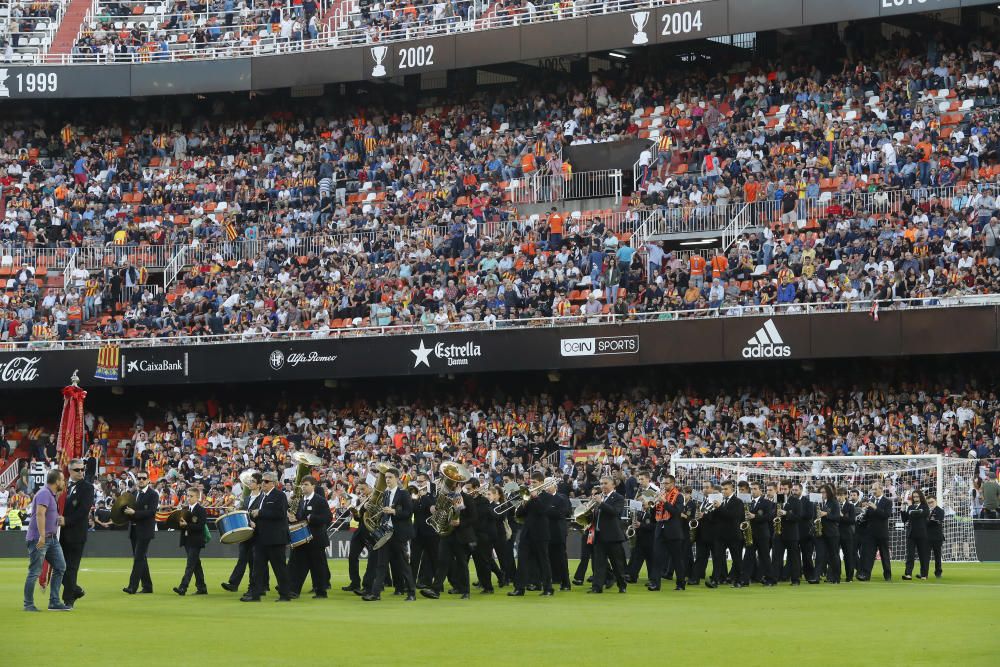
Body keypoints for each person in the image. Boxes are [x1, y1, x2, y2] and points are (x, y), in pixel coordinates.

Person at [365, 468, 416, 601]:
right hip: (386, 533)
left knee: (403, 565)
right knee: (381, 564)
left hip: (398, 535)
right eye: (386, 477)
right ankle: (375, 594)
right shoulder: (385, 494)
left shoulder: (404, 494)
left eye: (390, 477)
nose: (387, 479)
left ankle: (411, 593)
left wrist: (394, 512)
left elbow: (409, 513)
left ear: (397, 478)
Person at [421, 481, 477, 600]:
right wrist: (434, 509)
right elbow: (440, 511)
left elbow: (473, 517)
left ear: (458, 485)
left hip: (461, 536)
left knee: (462, 563)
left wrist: (460, 522)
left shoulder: (467, 498)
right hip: (446, 534)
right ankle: (435, 590)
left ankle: (465, 591)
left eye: (452, 483)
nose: (448, 485)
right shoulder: (445, 497)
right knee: (442, 562)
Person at [24, 470, 70, 612]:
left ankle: (54, 602)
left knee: (60, 567)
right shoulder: (45, 493)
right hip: (41, 539)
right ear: (56, 481)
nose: (63, 483)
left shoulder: (49, 494)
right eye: (62, 480)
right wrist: (42, 536)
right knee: (35, 571)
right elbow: (39, 514)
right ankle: (28, 604)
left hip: (51, 538)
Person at [242, 472, 292, 602]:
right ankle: (255, 594)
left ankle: (285, 594)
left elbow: (280, 514)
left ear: (274, 483)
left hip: (275, 539)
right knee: (257, 569)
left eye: (266, 481)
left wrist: (260, 512)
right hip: (261, 538)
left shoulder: (279, 495)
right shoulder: (262, 496)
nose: (263, 483)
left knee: (279, 568)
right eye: (263, 481)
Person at [223, 472, 268, 595]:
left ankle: (259, 586)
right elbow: (243, 511)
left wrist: (255, 524)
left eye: (252, 481)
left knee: (255, 561)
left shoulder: (263, 498)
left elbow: (264, 514)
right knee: (242, 558)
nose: (249, 483)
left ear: (259, 484)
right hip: (245, 532)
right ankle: (234, 584)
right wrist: (235, 510)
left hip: (257, 533)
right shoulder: (247, 498)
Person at [509, 472, 553, 596]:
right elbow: (520, 515)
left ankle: (548, 588)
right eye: (531, 482)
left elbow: (543, 511)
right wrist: (523, 503)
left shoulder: (547, 496)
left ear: (541, 483)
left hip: (541, 533)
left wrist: (535, 498)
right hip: (526, 533)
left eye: (534, 483)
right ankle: (519, 588)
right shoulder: (527, 496)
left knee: (543, 561)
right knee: (522, 561)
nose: (531, 485)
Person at [289, 477, 332, 598]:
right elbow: (300, 517)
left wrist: (312, 518)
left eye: (306, 484)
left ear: (313, 486)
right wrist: (293, 519)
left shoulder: (320, 500)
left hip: (316, 540)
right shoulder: (301, 500)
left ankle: (321, 592)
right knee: (299, 566)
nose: (303, 487)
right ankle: (294, 591)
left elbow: (328, 518)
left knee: (318, 567)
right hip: (302, 539)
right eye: (302, 485)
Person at [60, 459, 94, 608]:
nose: (81, 472)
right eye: (77, 470)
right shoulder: (63, 485)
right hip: (60, 533)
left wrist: (66, 520)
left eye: (82, 469)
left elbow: (83, 511)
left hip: (76, 534)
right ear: (70, 471)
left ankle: (68, 600)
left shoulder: (87, 488)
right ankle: (75, 589)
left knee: (71, 567)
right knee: (58, 567)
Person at [588, 476, 627, 594]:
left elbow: (615, 512)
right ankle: (597, 587)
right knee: (599, 564)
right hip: (599, 536)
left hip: (613, 537)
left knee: (617, 564)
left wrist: (600, 503)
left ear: (613, 485)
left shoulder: (618, 497)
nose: (602, 486)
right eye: (601, 483)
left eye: (605, 483)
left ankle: (622, 585)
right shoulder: (599, 498)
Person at [647, 475, 686, 591]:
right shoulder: (661, 495)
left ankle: (680, 583)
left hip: (673, 532)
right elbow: (655, 516)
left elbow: (677, 512)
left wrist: (664, 502)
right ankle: (655, 584)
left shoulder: (679, 496)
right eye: (663, 483)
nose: (664, 485)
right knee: (657, 558)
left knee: (677, 559)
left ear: (673, 484)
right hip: (660, 530)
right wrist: (651, 505)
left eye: (667, 483)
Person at [123, 470, 158, 594]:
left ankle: (132, 586)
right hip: (133, 530)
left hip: (145, 531)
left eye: (143, 478)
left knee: (138, 558)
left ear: (148, 480)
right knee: (141, 558)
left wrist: (134, 513)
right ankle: (147, 586)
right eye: (139, 478)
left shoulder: (153, 494)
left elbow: (152, 512)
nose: (141, 480)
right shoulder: (133, 493)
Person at [173, 487, 208, 595]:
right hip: (187, 540)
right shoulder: (185, 509)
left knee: (190, 564)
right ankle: (202, 587)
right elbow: (181, 525)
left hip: (196, 541)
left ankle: (183, 587)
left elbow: (200, 526)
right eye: (187, 496)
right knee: (196, 564)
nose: (188, 498)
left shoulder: (201, 510)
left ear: (197, 497)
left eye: (191, 496)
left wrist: (187, 525)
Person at [711, 480, 745, 588]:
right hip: (720, 535)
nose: (724, 491)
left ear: (732, 489)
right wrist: (713, 509)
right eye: (723, 489)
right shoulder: (720, 501)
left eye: (726, 489)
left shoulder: (738, 502)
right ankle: (715, 580)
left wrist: (719, 507)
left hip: (733, 535)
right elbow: (714, 518)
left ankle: (740, 580)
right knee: (718, 558)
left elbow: (733, 516)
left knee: (737, 559)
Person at [625, 470, 656, 585]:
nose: (640, 481)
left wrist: (641, 524)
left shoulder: (653, 491)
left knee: (650, 557)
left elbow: (654, 519)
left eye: (642, 479)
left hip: (649, 533)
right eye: (639, 479)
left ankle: (653, 579)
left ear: (648, 478)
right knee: (637, 555)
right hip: (640, 531)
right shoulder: (640, 491)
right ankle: (632, 576)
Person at [741, 482, 774, 586]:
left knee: (764, 557)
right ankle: (745, 580)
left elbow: (769, 517)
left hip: (762, 535)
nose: (753, 491)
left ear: (761, 490)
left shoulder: (766, 503)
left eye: (755, 489)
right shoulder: (747, 502)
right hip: (750, 534)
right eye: (752, 489)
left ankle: (770, 580)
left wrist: (754, 516)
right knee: (748, 557)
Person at [858, 483, 893, 582]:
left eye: (875, 489)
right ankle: (865, 575)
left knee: (884, 555)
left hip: (882, 533)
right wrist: (864, 512)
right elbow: (868, 517)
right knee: (868, 555)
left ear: (881, 489)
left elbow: (886, 515)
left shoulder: (887, 502)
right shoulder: (871, 501)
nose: (873, 491)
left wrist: (875, 508)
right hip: (870, 533)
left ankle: (887, 575)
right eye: (872, 489)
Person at [468, 479, 497, 595]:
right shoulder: (469, 500)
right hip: (471, 535)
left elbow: (477, 517)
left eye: (469, 488)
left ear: (476, 488)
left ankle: (488, 587)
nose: (468, 491)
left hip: (482, 536)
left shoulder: (483, 501)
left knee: (484, 562)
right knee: (477, 563)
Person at [342, 482, 371, 595]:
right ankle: (355, 582)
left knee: (374, 559)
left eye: (363, 489)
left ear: (369, 487)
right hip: (360, 531)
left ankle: (377, 582)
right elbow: (359, 519)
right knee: (352, 556)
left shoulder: (375, 499)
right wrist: (355, 513)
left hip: (371, 532)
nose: (361, 492)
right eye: (360, 489)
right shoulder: (361, 499)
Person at [409, 475, 438, 588]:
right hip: (417, 532)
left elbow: (433, 510)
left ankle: (437, 585)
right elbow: (412, 510)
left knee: (434, 559)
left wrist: (424, 496)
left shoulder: (433, 494)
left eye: (421, 482)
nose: (419, 484)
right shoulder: (415, 496)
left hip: (431, 533)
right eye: (418, 482)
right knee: (414, 560)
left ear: (427, 482)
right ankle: (411, 584)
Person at [771, 480, 802, 586]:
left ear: (789, 489)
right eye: (781, 489)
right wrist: (775, 514)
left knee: (793, 557)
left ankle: (795, 580)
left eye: (785, 489)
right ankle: (773, 579)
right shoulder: (778, 498)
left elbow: (798, 517)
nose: (783, 491)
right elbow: (772, 513)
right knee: (776, 557)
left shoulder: (796, 501)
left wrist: (786, 513)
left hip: (791, 534)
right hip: (778, 533)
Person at [810, 483, 841, 584]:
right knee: (819, 555)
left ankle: (836, 577)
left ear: (828, 492)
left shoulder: (834, 502)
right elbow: (813, 515)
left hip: (832, 533)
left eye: (824, 492)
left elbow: (837, 517)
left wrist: (826, 514)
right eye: (821, 492)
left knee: (834, 556)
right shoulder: (817, 503)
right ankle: (816, 577)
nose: (822, 494)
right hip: (820, 532)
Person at [546, 480, 571, 591]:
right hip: (545, 532)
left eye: (548, 485)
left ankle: (566, 582)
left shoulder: (562, 498)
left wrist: (546, 510)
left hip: (558, 531)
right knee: (548, 557)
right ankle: (553, 578)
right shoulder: (542, 498)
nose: (546, 487)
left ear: (554, 486)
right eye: (545, 485)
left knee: (561, 557)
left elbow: (564, 512)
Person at [902, 488, 930, 581]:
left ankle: (924, 575)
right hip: (911, 533)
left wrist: (912, 513)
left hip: (922, 534)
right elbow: (905, 519)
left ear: (921, 497)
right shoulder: (910, 507)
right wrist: (903, 508)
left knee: (923, 555)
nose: (915, 498)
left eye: (917, 496)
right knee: (910, 555)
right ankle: (908, 574)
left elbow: (923, 514)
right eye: (914, 497)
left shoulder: (925, 506)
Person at [837, 488, 857, 583]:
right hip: (835, 534)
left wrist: (842, 516)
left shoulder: (850, 506)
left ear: (845, 495)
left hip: (847, 534)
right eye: (838, 495)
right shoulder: (834, 505)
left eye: (841, 495)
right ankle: (835, 575)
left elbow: (852, 521)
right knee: (834, 555)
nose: (839, 497)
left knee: (848, 556)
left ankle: (849, 577)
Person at [927, 496, 945, 578]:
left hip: (937, 537)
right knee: (925, 556)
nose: (930, 504)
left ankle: (938, 572)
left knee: (937, 556)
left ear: (936, 501)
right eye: (929, 502)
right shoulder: (926, 511)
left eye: (932, 502)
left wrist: (928, 521)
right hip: (927, 537)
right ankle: (924, 573)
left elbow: (938, 521)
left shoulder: (940, 511)